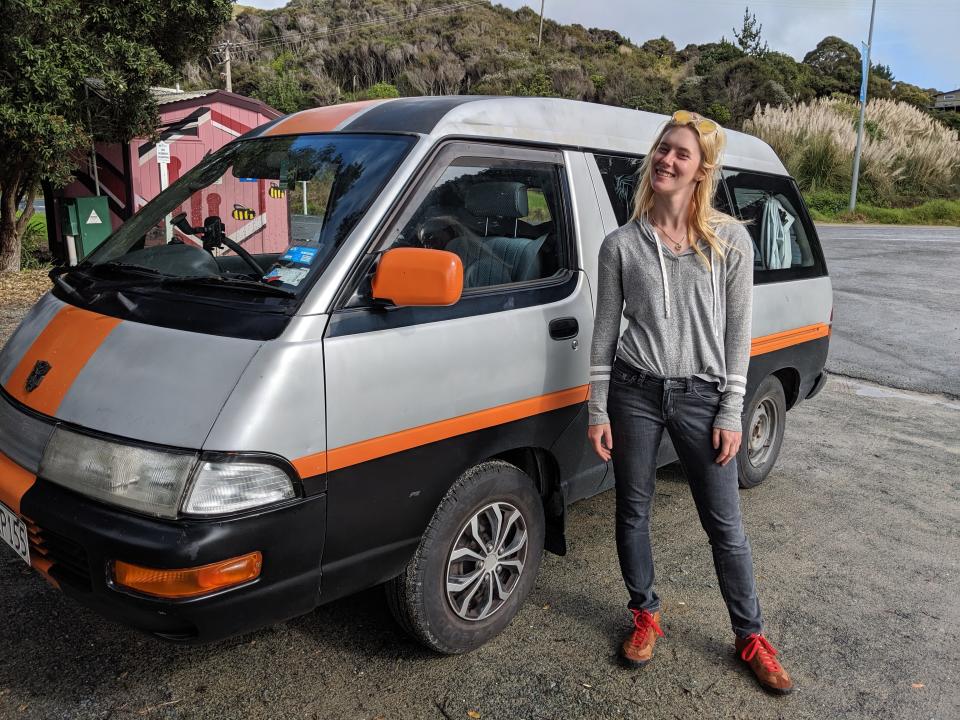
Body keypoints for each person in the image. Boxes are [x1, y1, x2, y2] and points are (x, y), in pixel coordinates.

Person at [587, 110, 793, 695]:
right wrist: (597, 407)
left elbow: (737, 335)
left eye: (680, 154)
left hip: (704, 396)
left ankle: (750, 635)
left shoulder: (729, 240)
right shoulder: (621, 245)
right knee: (633, 509)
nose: (666, 161)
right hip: (636, 390)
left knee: (725, 525)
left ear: (702, 170)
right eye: (662, 150)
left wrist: (732, 410)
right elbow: (605, 330)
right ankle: (645, 615)